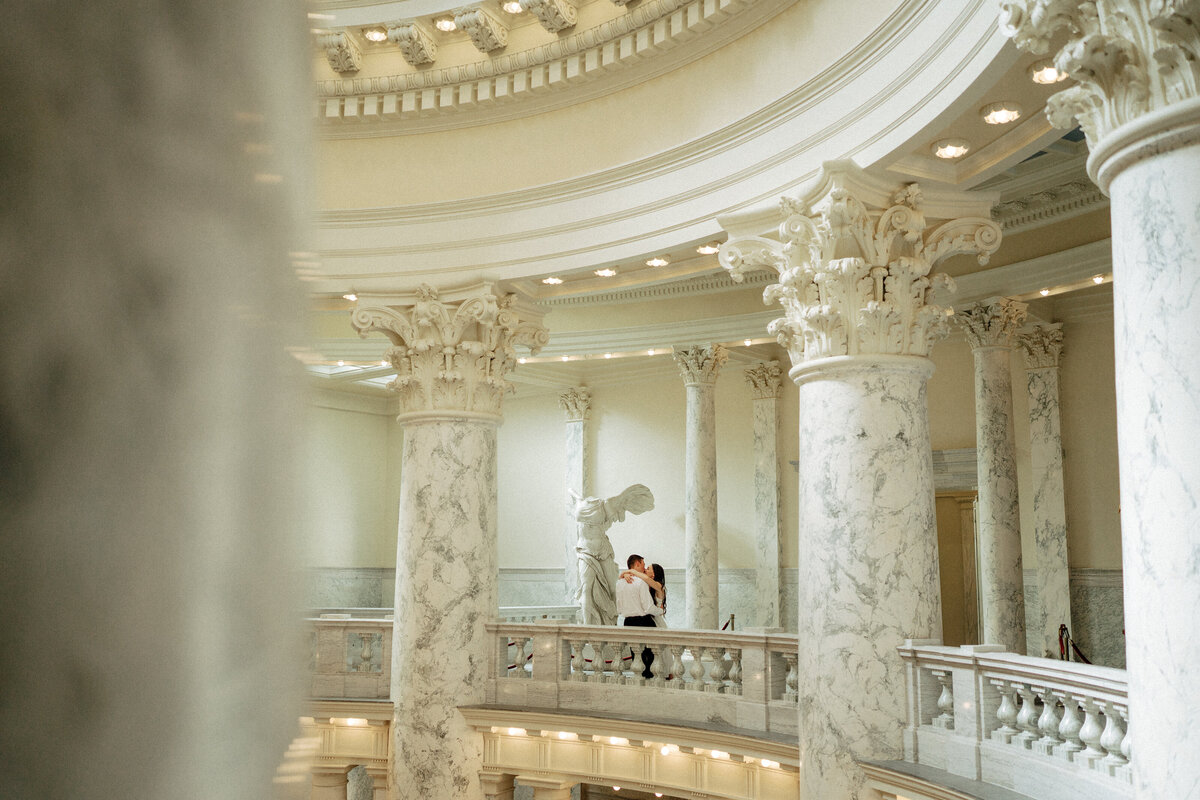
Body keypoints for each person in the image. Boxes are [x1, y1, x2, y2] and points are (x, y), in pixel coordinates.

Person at [615, 554, 662, 678]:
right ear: (637, 564)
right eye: (643, 564)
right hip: (643, 621)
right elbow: (648, 607)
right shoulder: (641, 582)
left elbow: (619, 607)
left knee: (635, 654)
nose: (644, 567)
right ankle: (649, 679)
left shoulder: (619, 583)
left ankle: (638, 678)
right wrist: (660, 611)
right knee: (649, 655)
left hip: (628, 622)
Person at [619, 562, 667, 628]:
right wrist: (626, 575)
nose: (645, 570)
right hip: (647, 618)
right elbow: (620, 578)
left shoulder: (659, 586)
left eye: (648, 569)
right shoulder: (646, 584)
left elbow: (646, 578)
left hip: (655, 619)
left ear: (653, 575)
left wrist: (632, 571)